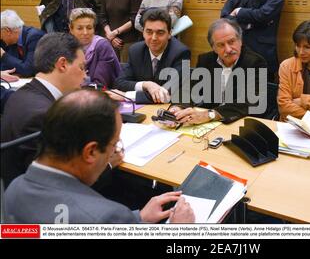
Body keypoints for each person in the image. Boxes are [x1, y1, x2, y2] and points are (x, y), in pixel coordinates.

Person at [4, 89, 194, 224]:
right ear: (91, 152)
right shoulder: (107, 216)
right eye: (115, 144)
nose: (116, 150)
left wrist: (138, 219)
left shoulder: (14, 189)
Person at [1, 33, 87, 188]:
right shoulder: (44, 115)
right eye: (82, 67)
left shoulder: (19, 94)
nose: (85, 76)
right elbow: (60, 183)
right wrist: (107, 163)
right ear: (62, 64)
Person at [169, 18, 267, 125]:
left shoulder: (256, 62)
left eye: (231, 42)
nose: (228, 49)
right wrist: (177, 107)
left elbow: (251, 102)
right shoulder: (205, 61)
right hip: (209, 124)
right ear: (214, 48)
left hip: (241, 122)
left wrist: (211, 114)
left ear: (240, 41)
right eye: (221, 45)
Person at [113, 8, 190, 104]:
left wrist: (126, 96)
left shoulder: (181, 53)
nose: (154, 38)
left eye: (160, 33)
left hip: (168, 109)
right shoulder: (135, 50)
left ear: (169, 34)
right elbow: (120, 83)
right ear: (143, 32)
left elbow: (165, 94)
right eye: (149, 32)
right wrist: (146, 85)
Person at [69, 8, 121, 88]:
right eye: (80, 28)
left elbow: (100, 85)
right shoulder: (66, 46)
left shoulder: (102, 46)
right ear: (71, 29)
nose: (85, 33)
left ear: (94, 29)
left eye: (89, 28)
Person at [1, 10, 45, 76]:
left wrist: (3, 55)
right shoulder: (12, 42)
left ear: (8, 31)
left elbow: (28, 70)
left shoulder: (35, 37)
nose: (0, 37)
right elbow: (6, 67)